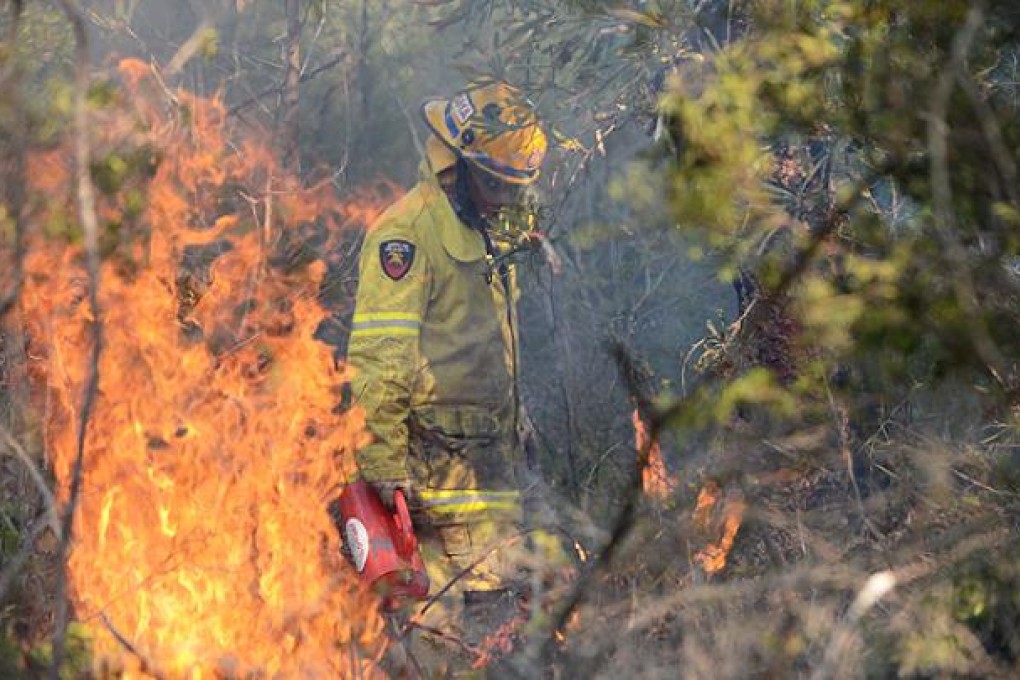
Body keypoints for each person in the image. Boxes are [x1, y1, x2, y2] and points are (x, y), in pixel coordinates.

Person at [345, 80, 549, 667]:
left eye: (513, 187)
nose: (504, 199)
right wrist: (383, 464)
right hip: (429, 488)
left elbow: (489, 347)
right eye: (494, 183)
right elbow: (380, 361)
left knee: (498, 642)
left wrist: (521, 424)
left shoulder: (488, 232)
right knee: (439, 649)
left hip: (490, 480)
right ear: (454, 164)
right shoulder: (407, 235)